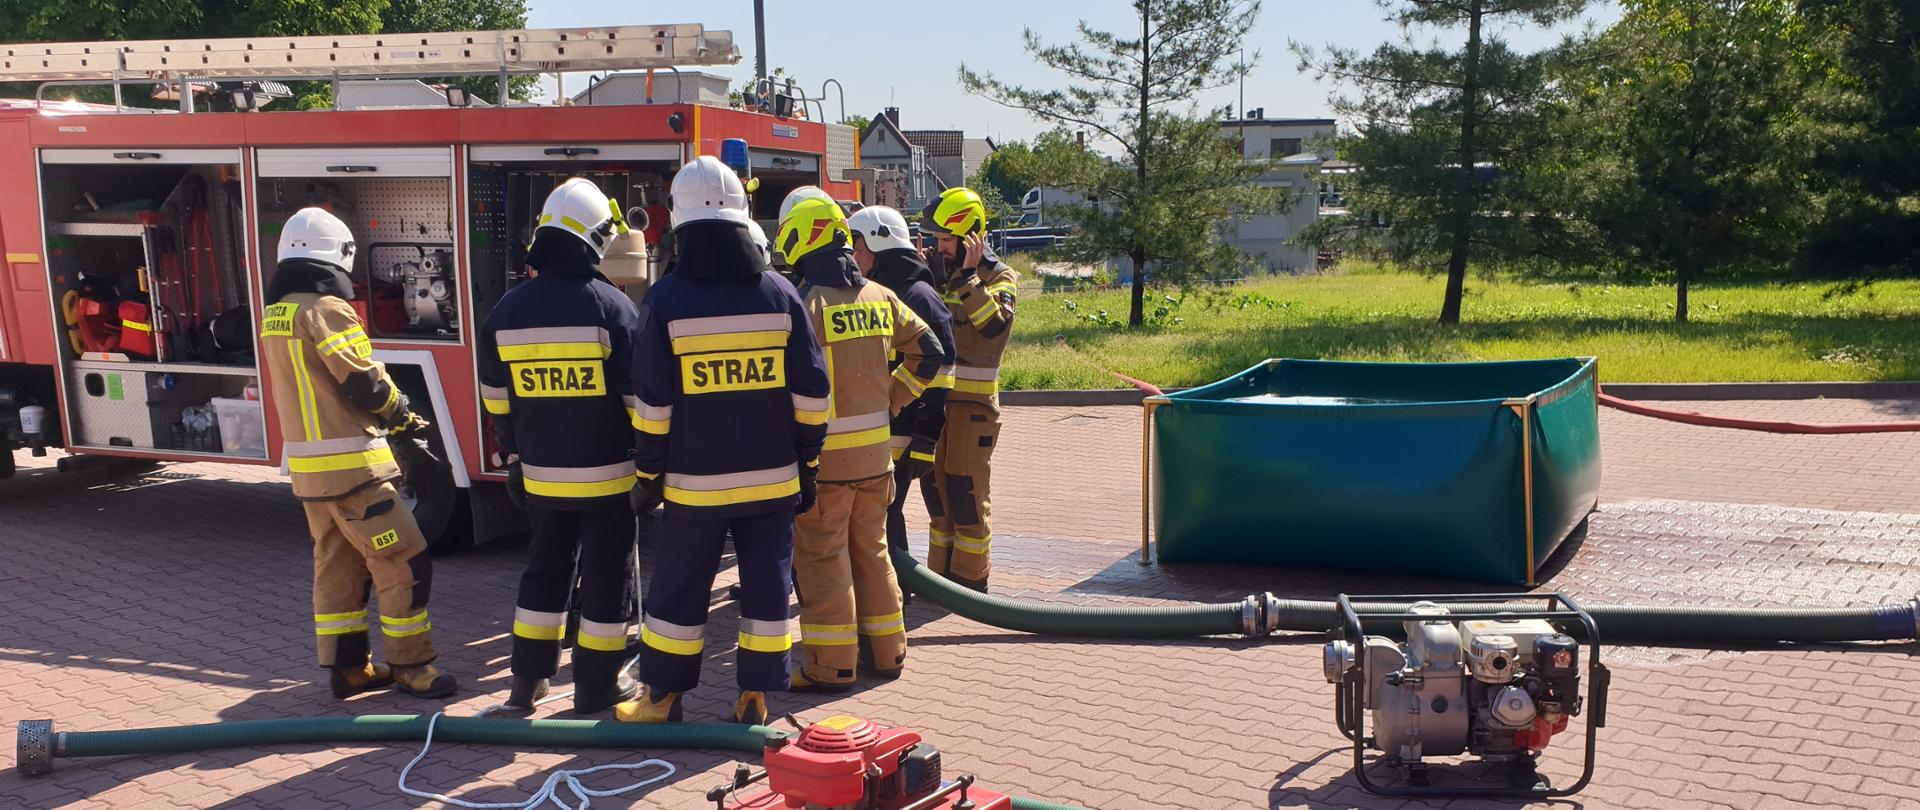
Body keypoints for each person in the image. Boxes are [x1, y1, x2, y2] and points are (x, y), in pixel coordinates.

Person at [614, 156, 832, 725]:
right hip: (774, 481)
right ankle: (755, 697)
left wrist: (647, 475)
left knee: (679, 593)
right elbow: (813, 394)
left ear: (681, 227)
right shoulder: (781, 294)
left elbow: (653, 404)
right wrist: (807, 465)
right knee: (766, 590)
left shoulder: (665, 302)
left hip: (694, 486)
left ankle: (662, 699)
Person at [258, 207, 457, 700]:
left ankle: (349, 670)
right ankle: (413, 666)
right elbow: (363, 379)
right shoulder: (325, 309)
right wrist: (405, 419)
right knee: (403, 559)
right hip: (353, 471)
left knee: (337, 566)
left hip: (312, 474)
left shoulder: (276, 313)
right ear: (338, 256)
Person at [477, 178, 643, 716]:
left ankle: (526, 684)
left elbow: (496, 401)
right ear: (594, 239)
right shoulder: (613, 309)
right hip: (609, 477)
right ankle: (597, 686)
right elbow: (637, 401)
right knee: (604, 578)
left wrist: (514, 458)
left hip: (542, 477)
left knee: (543, 572)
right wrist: (651, 464)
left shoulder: (505, 311)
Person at [778, 197, 946, 690]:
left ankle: (831, 666)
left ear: (803, 237)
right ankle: (888, 652)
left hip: (825, 462)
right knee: (872, 552)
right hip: (878, 459)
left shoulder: (804, 304)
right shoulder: (879, 296)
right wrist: (892, 400)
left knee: (823, 558)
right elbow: (929, 353)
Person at [845, 205, 955, 613]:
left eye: (857, 246)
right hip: (888, 428)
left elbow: (941, 370)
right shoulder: (889, 291)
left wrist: (924, 438)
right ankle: (896, 592)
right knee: (882, 514)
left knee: (881, 515)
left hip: (905, 431)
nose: (853, 256)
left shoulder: (918, 297)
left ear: (878, 244)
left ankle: (892, 596)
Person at [917, 188, 1018, 592]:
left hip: (973, 409)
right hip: (939, 406)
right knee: (936, 494)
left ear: (970, 238)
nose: (939, 248)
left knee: (966, 495)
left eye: (945, 240)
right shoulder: (940, 272)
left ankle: (971, 584)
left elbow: (992, 326)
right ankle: (940, 580)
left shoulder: (1000, 277)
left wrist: (968, 276)